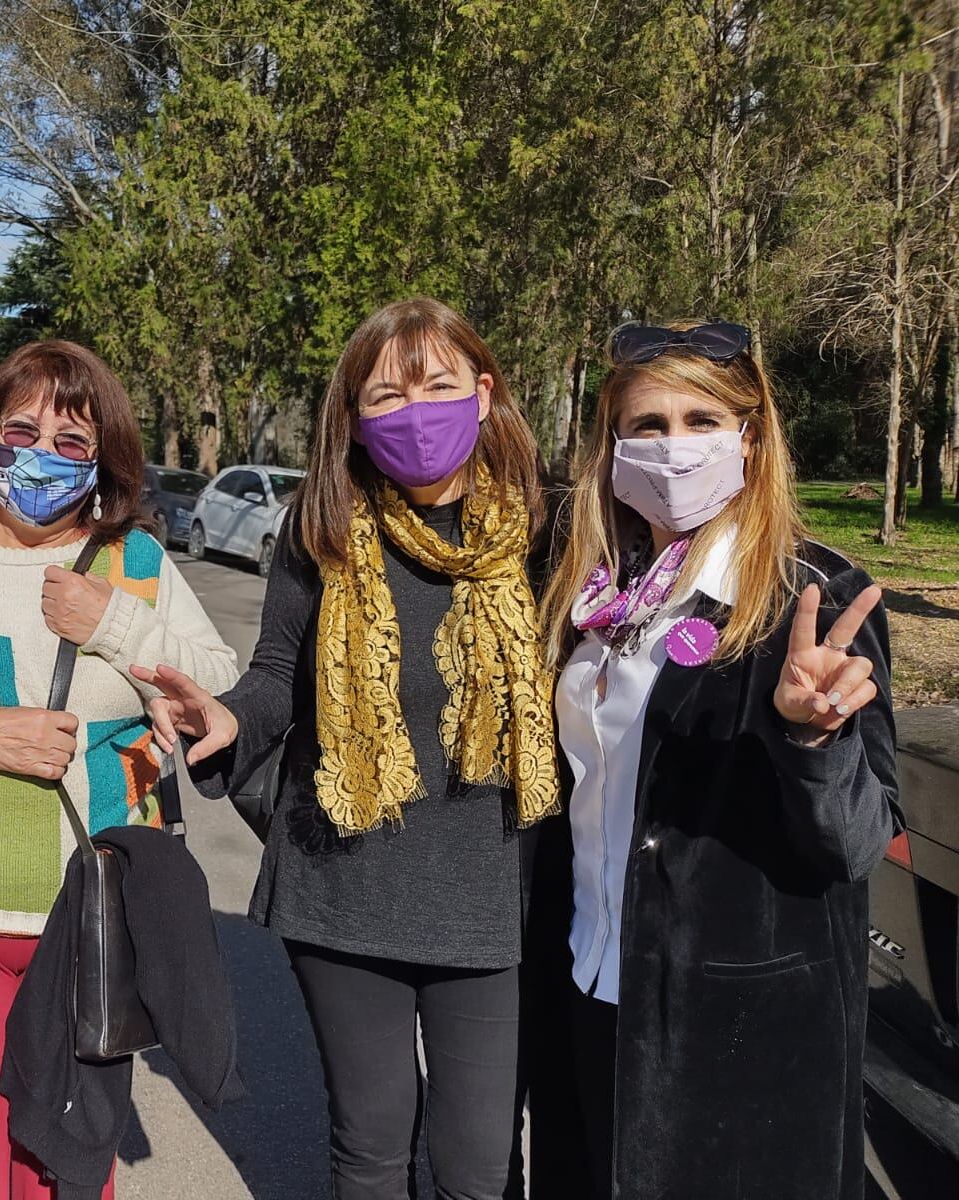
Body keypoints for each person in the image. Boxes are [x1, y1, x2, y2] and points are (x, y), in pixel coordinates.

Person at [140, 297, 562, 1200]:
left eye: (439, 387)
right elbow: (277, 673)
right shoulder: (320, 525)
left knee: (480, 1168)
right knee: (369, 1152)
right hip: (345, 887)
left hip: (494, 898)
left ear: (484, 394)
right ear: (355, 419)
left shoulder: (546, 529)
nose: (415, 415)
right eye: (386, 398)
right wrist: (226, 718)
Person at [0, 339, 239, 1199]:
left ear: (104, 462)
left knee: (59, 1173)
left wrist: (118, 625)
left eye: (72, 443)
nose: (40, 456)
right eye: (20, 429)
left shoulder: (134, 564)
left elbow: (219, 685)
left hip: (87, 925)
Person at [526, 320, 898, 1200]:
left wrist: (814, 739)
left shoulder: (812, 595)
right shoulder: (594, 592)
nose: (675, 446)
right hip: (590, 979)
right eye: (647, 426)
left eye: (702, 419)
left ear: (752, 436)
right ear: (612, 446)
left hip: (736, 1025)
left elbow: (855, 844)